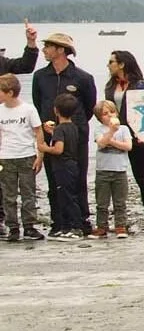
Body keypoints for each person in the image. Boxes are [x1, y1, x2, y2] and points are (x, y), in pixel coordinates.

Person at [33, 33, 97, 232]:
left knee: (78, 177)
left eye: (48, 46)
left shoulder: (83, 77)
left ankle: (81, 220)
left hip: (76, 136)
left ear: (60, 50)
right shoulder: (41, 76)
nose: (44, 50)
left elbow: (89, 107)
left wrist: (72, 125)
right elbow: (38, 103)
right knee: (54, 178)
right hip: (50, 133)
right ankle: (58, 222)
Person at [104, 51, 144, 232]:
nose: (108, 65)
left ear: (122, 64)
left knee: (141, 176)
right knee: (116, 176)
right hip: (116, 132)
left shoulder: (139, 85)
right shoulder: (110, 86)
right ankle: (119, 217)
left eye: (111, 62)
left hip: (136, 135)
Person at [0, 74, 44, 240]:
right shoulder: (0, 110)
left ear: (10, 92)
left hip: (26, 155)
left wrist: (40, 156)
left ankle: (29, 226)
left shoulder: (28, 109)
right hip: (6, 157)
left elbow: (38, 131)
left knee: (28, 193)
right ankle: (13, 227)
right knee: (8, 195)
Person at [38, 93, 84, 239]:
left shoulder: (59, 129)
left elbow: (58, 149)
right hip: (73, 164)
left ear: (56, 110)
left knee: (67, 197)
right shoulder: (72, 127)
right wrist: (53, 133)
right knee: (71, 194)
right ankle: (70, 226)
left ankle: (75, 227)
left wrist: (44, 148)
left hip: (63, 166)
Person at [90, 100, 132, 238]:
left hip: (120, 170)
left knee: (120, 202)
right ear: (99, 117)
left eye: (112, 112)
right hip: (103, 170)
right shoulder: (98, 129)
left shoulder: (124, 129)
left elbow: (128, 146)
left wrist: (112, 141)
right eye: (105, 114)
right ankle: (102, 226)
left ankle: (120, 226)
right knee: (102, 202)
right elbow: (101, 143)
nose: (109, 116)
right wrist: (111, 132)